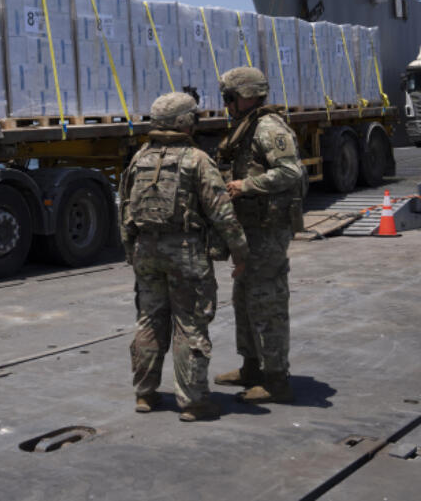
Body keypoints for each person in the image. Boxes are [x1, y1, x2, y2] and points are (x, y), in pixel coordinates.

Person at [120, 92, 249, 422]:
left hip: (145, 252)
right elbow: (222, 213)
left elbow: (124, 209)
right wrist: (240, 253)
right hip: (185, 253)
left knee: (149, 319)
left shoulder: (139, 159)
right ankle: (192, 401)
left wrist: (130, 252)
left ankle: (145, 394)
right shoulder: (197, 159)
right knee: (189, 322)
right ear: (186, 122)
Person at [212, 67, 306, 405]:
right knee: (244, 298)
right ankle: (251, 367)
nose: (227, 104)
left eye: (230, 97)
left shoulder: (268, 128)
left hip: (268, 229)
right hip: (251, 229)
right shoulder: (246, 125)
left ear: (247, 95)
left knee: (267, 302)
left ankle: (276, 378)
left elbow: (290, 171)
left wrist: (247, 185)